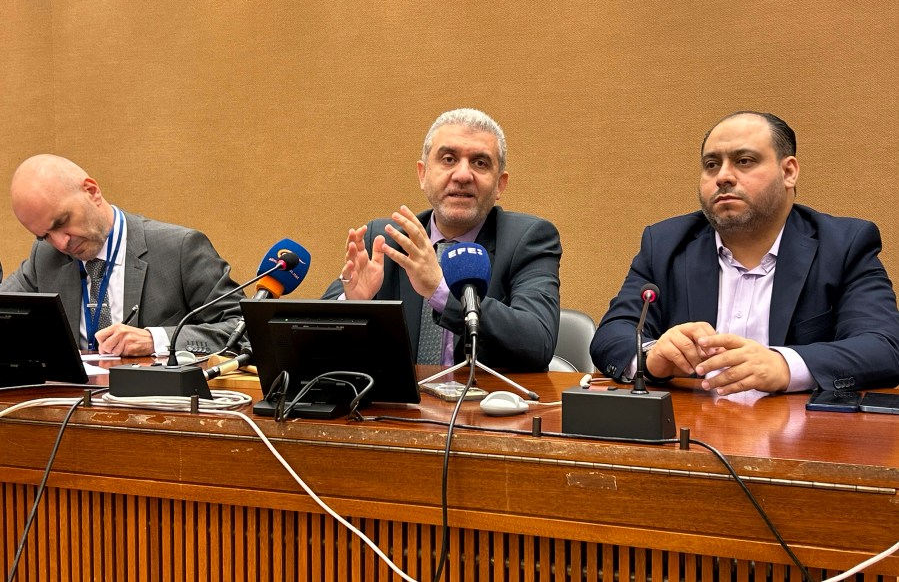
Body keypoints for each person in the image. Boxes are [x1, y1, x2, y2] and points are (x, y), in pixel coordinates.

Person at [591, 111, 899, 395]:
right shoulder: (666, 243)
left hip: (800, 438)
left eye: (745, 161)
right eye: (711, 165)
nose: (723, 176)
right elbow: (612, 336)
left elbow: (885, 347)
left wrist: (784, 365)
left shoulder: (844, 245)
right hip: (691, 431)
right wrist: (652, 356)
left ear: (788, 172)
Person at [322, 108, 561, 371]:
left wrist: (440, 290)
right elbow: (312, 341)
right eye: (448, 159)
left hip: (479, 406)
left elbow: (537, 342)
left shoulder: (527, 240)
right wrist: (353, 307)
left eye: (480, 163)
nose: (462, 175)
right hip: (397, 409)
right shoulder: (386, 241)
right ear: (423, 174)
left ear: (500, 185)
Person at [0, 154, 245, 356]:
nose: (61, 242)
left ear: (91, 191)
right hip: (73, 406)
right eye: (44, 236)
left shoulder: (180, 249)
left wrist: (156, 340)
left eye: (62, 222)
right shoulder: (45, 257)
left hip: (157, 407)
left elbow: (243, 331)